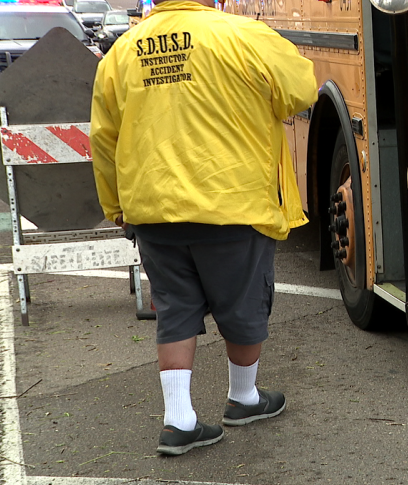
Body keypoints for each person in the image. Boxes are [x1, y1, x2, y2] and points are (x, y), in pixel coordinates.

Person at [89, 0, 318, 456]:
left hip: (152, 206)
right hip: (231, 201)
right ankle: (244, 398)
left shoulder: (123, 51)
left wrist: (116, 205)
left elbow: (104, 138)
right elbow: (302, 91)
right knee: (243, 301)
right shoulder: (245, 36)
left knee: (174, 308)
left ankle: (179, 420)